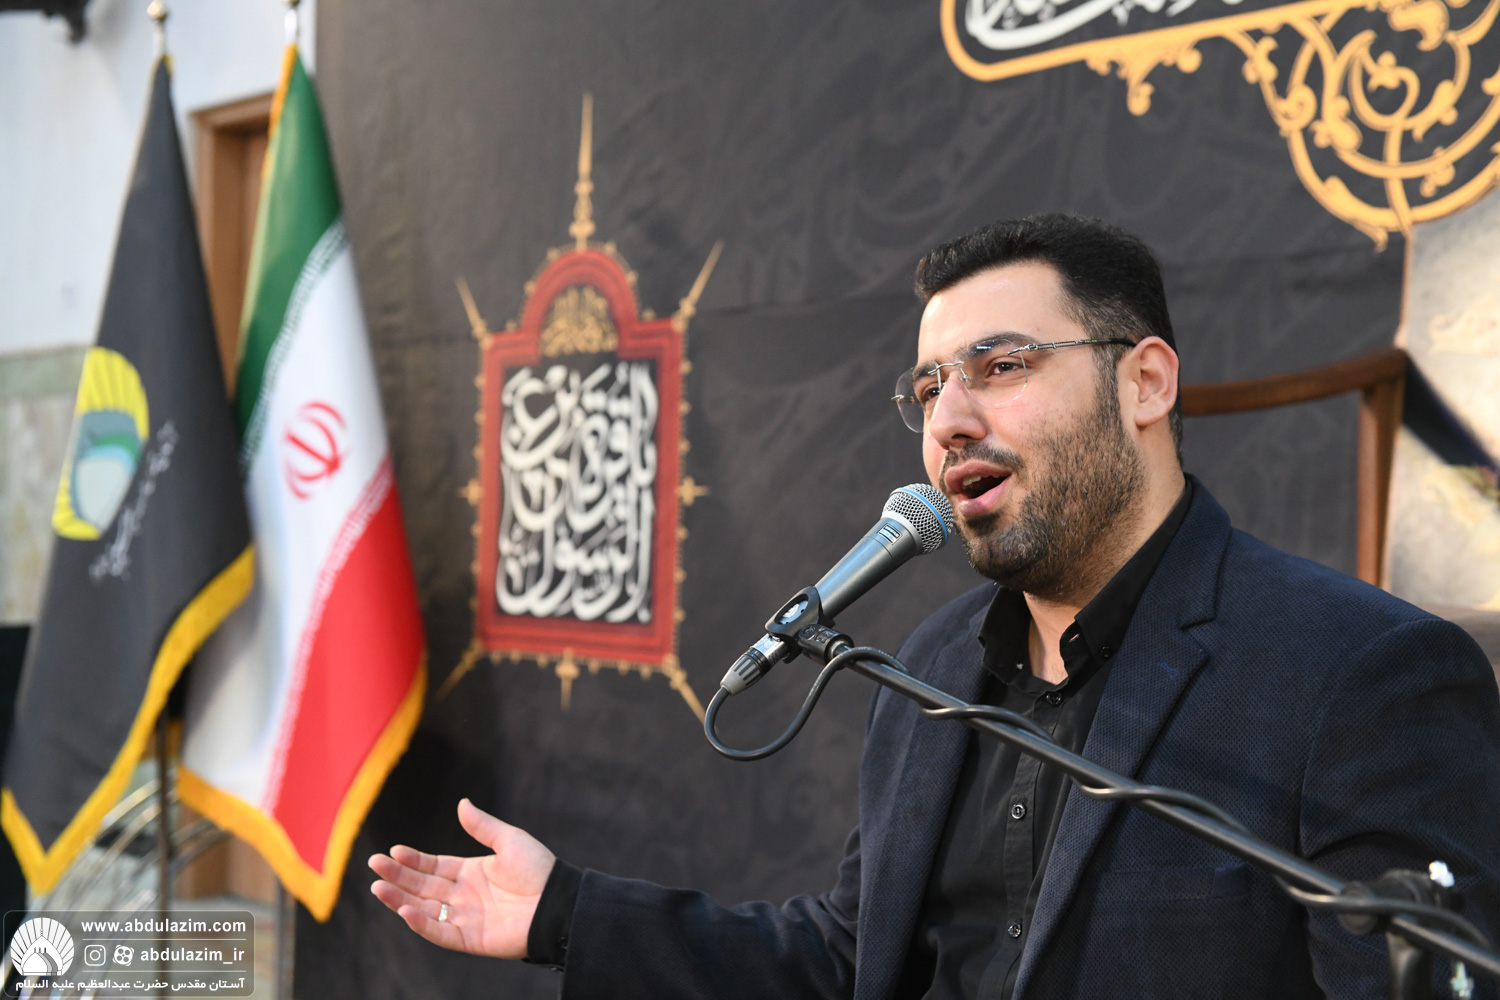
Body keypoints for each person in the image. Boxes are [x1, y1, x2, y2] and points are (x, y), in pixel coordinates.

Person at [369, 214, 1500, 998]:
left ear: (1146, 383)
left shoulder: (1359, 673)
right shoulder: (932, 666)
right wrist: (568, 913)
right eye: (929, 385)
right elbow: (848, 960)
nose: (949, 418)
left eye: (1001, 366)